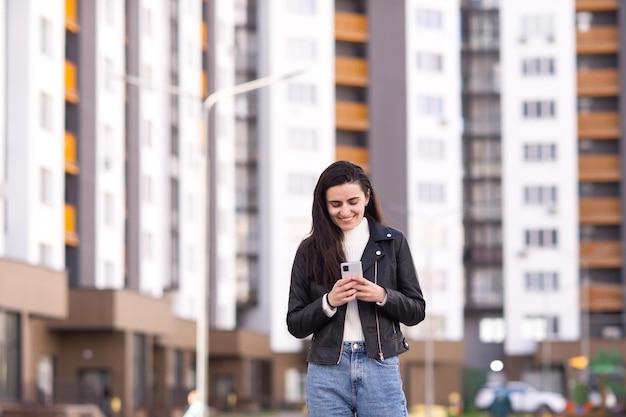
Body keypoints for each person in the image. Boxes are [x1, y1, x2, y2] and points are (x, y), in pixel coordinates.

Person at [286, 160, 426, 417]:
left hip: (379, 365)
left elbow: (416, 311)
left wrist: (382, 296)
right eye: (335, 204)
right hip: (326, 371)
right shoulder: (309, 250)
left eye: (353, 201)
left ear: (367, 197)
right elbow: (295, 324)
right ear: (323, 205)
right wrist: (328, 302)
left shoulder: (393, 242)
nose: (345, 211)